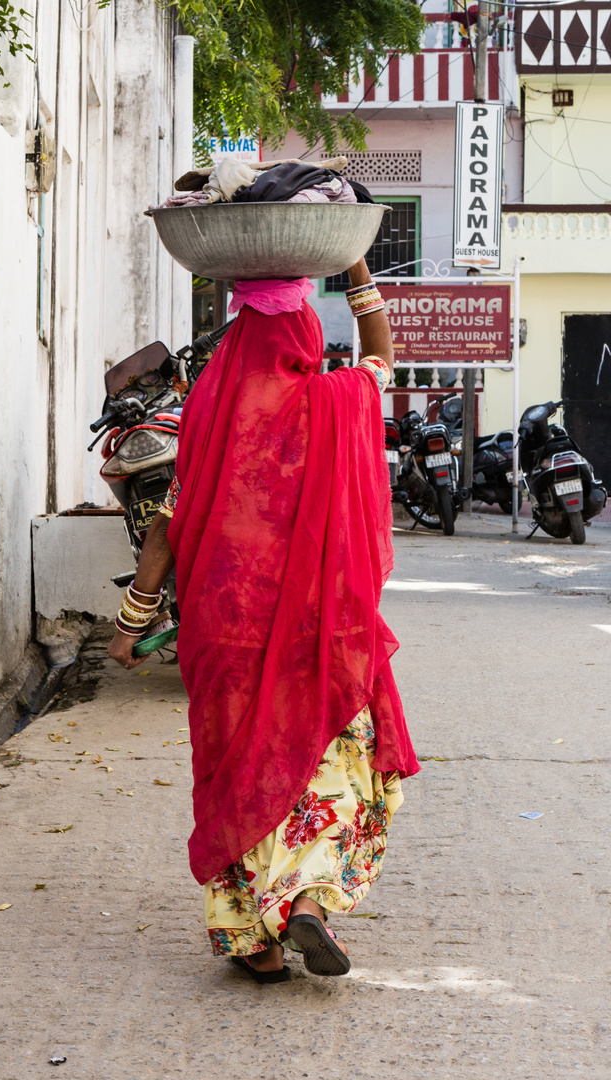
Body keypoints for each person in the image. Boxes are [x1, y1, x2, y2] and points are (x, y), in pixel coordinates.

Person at [109, 258, 420, 981]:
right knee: (325, 759)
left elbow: (165, 521)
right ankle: (310, 898)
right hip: (324, 631)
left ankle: (260, 941)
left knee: (242, 771)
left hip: (227, 633)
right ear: (307, 341)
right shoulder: (336, 399)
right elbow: (381, 359)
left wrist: (133, 620)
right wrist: (356, 267)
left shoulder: (210, 417)